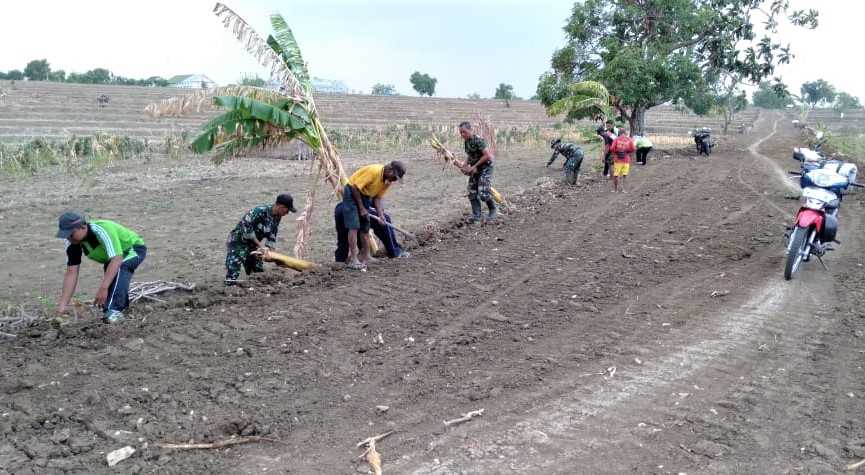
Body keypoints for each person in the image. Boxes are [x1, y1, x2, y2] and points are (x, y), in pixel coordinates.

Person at [55, 212, 147, 323]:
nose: (69, 238)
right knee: (112, 278)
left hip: (132, 249)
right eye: (65, 235)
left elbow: (117, 258)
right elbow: (71, 272)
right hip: (113, 258)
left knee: (120, 268)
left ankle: (114, 311)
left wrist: (103, 289)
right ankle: (118, 307)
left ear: (83, 226)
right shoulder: (72, 243)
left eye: (71, 233)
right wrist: (62, 307)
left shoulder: (102, 229)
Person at [343, 161, 406, 270]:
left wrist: (380, 215)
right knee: (354, 226)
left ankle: (366, 256)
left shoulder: (387, 181)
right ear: (389, 169)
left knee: (365, 226)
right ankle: (354, 259)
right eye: (394, 177)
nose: (394, 180)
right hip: (352, 193)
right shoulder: (374, 171)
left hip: (366, 195)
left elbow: (377, 198)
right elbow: (355, 187)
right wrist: (362, 208)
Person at [225, 193, 296, 285]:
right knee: (233, 272)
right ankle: (229, 290)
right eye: (287, 210)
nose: (287, 213)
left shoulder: (277, 216)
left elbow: (272, 234)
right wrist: (261, 246)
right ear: (281, 207)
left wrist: (272, 253)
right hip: (238, 242)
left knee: (258, 273)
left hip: (253, 245)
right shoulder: (259, 211)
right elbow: (247, 229)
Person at [334, 202, 406, 263]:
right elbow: (375, 200)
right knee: (385, 219)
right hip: (356, 208)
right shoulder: (375, 186)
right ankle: (394, 251)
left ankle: (340, 261)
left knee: (343, 238)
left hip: (340, 207)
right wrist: (380, 214)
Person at [457, 121, 496, 223]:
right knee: (472, 191)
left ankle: (493, 210)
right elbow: (470, 155)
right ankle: (476, 215)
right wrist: (464, 164)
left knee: (483, 192)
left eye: (464, 132)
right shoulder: (467, 142)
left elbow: (487, 155)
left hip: (486, 167)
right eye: (460, 132)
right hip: (477, 168)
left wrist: (473, 166)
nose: (462, 135)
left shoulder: (478, 140)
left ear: (470, 130)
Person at [610, 128, 635, 193]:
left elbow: (612, 148)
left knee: (616, 175)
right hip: (626, 159)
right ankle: (624, 189)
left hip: (617, 160)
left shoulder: (616, 139)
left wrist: (616, 152)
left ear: (619, 133)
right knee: (625, 175)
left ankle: (615, 190)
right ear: (625, 132)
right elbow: (633, 149)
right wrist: (627, 152)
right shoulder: (629, 139)